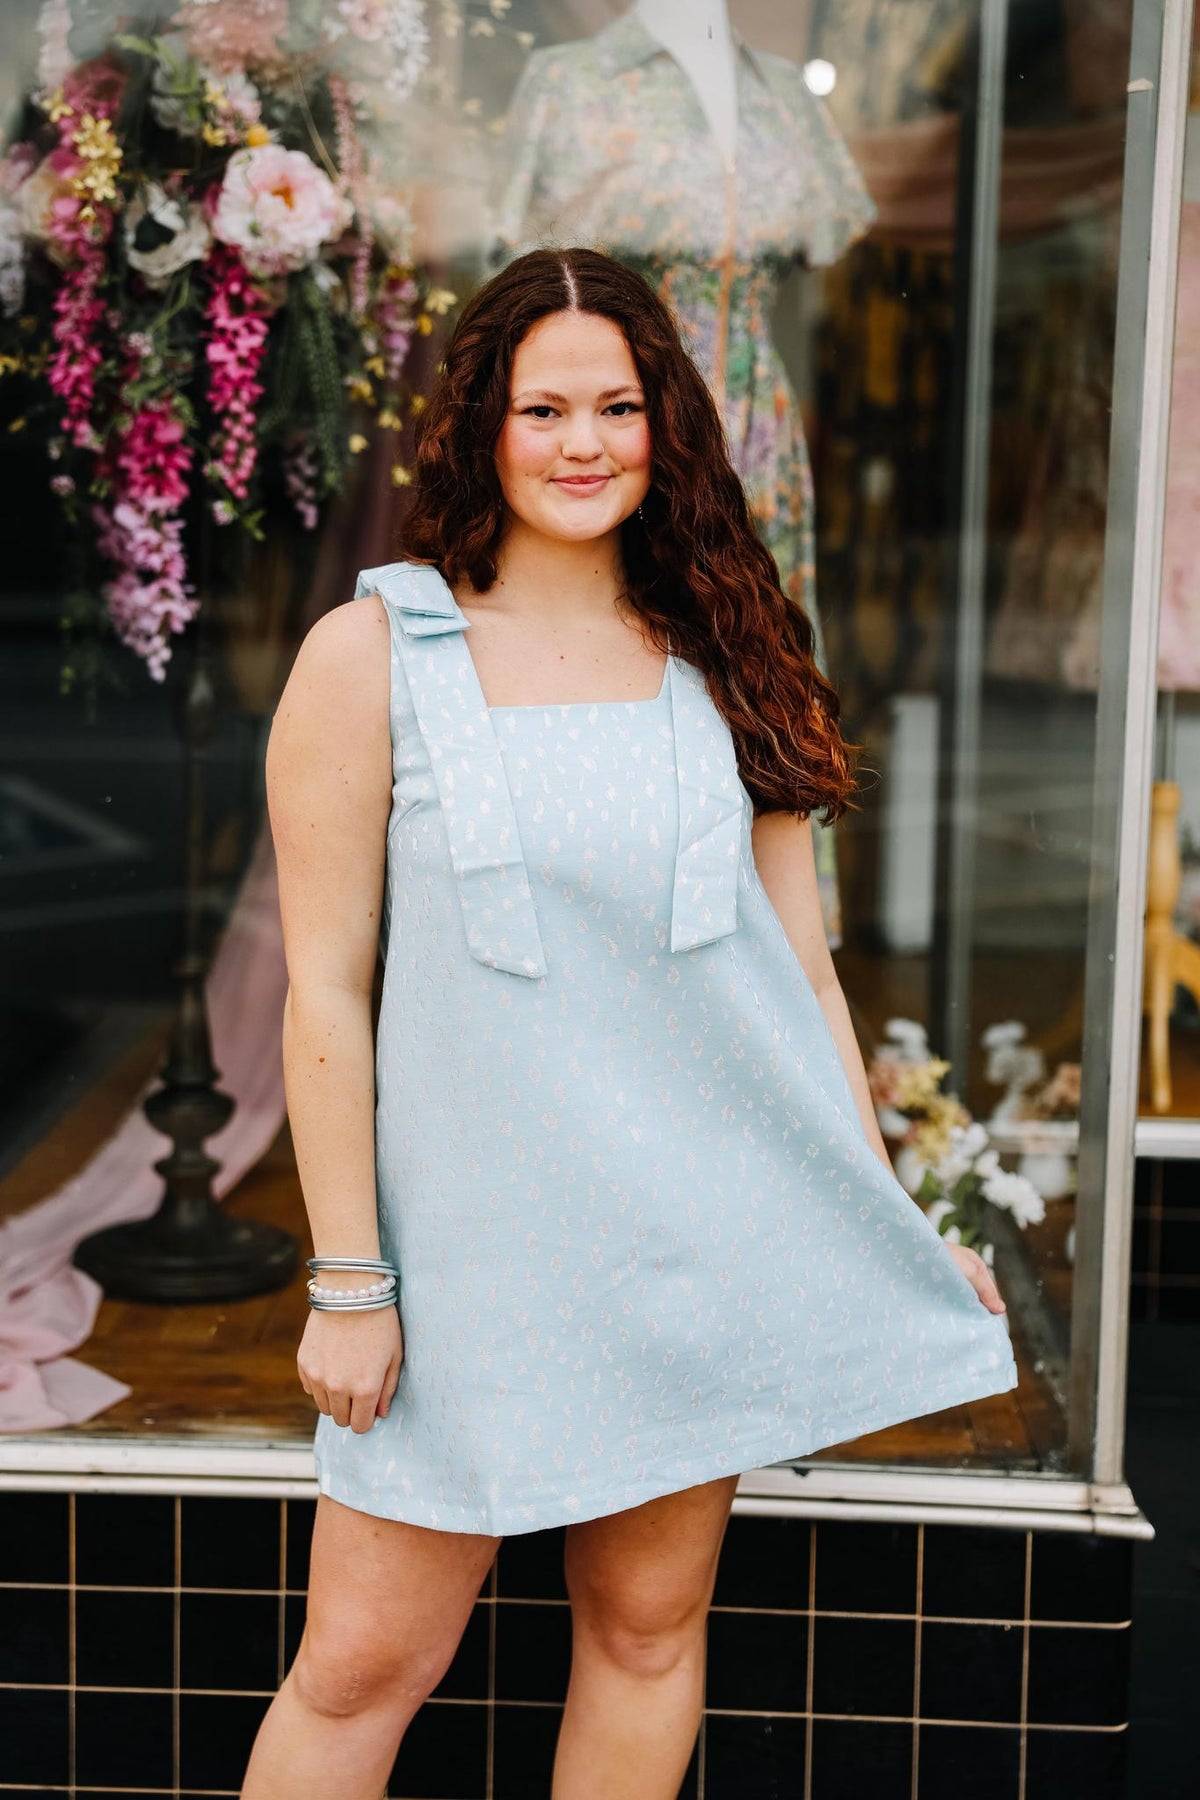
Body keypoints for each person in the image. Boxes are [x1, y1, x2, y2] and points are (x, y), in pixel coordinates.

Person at [244, 245, 1016, 1800]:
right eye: (544, 408)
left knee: (651, 1637)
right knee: (359, 1670)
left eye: (618, 405)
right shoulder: (374, 652)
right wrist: (350, 1281)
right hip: (463, 1266)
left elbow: (801, 979)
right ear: (482, 426)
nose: (584, 442)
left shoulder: (728, 645)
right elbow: (320, 984)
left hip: (687, 1249)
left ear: (667, 424)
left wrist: (886, 1216)